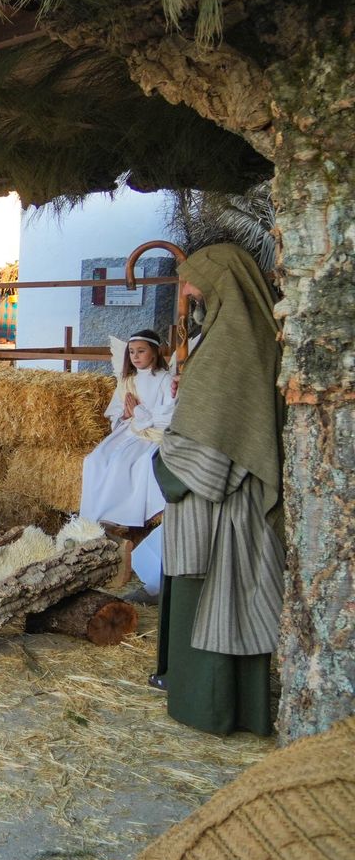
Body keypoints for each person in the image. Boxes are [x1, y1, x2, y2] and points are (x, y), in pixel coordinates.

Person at [150, 243, 283, 737]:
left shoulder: (234, 339)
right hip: (221, 494)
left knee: (216, 599)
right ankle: (224, 705)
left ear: (220, 278)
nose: (185, 289)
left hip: (218, 499)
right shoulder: (227, 331)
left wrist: (167, 465)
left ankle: (210, 708)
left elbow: (218, 436)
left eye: (190, 279)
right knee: (222, 599)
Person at [80, 329, 176, 528]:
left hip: (151, 435)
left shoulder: (166, 380)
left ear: (155, 352)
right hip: (129, 429)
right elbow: (115, 412)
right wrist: (124, 414)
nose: (135, 356)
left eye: (141, 351)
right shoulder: (128, 381)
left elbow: (170, 414)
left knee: (124, 462)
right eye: (131, 352)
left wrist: (140, 412)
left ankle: (120, 517)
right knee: (95, 460)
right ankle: (92, 516)